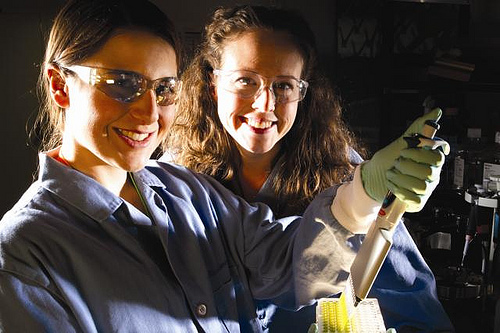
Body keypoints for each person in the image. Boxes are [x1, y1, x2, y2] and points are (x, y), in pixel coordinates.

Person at [164, 5, 454, 332]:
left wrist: (368, 198)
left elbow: (415, 309)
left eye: (284, 85)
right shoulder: (174, 180)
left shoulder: (348, 179)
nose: (264, 106)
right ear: (213, 83)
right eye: (245, 80)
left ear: (304, 91)